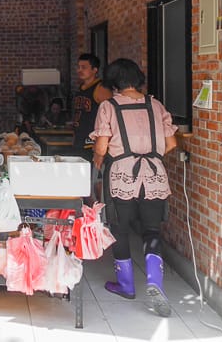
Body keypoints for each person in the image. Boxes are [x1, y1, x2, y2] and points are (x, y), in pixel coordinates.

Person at [90, 58, 178, 318]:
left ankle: (126, 285)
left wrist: (97, 161)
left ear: (113, 82)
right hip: (154, 175)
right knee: (152, 230)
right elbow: (171, 144)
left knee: (119, 229)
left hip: (120, 176)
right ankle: (155, 283)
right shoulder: (155, 105)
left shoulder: (108, 107)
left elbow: (102, 147)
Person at [71, 53, 113, 160]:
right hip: (80, 138)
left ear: (95, 70)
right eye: (78, 67)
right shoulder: (82, 87)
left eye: (84, 67)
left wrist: (102, 143)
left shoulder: (101, 88)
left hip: (93, 142)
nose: (79, 70)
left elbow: (112, 116)